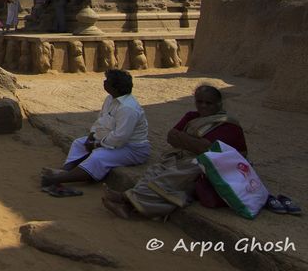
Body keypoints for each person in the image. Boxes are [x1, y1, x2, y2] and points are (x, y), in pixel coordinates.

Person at [102, 85, 248, 219]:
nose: (203, 106)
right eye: (199, 102)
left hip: (212, 165)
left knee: (172, 178)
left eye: (208, 103)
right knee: (155, 171)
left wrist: (185, 139)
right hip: (184, 156)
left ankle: (129, 204)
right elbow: (171, 137)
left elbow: (207, 149)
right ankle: (130, 202)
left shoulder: (228, 125)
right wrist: (193, 142)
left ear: (219, 104)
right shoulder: (192, 116)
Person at [40, 70, 150, 190]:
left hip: (132, 149)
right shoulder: (110, 99)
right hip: (108, 139)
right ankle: (64, 171)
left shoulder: (128, 108)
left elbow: (120, 138)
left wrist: (97, 145)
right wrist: (91, 137)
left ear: (115, 87)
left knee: (99, 156)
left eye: (107, 81)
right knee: (79, 143)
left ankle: (58, 179)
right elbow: (100, 121)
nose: (104, 82)